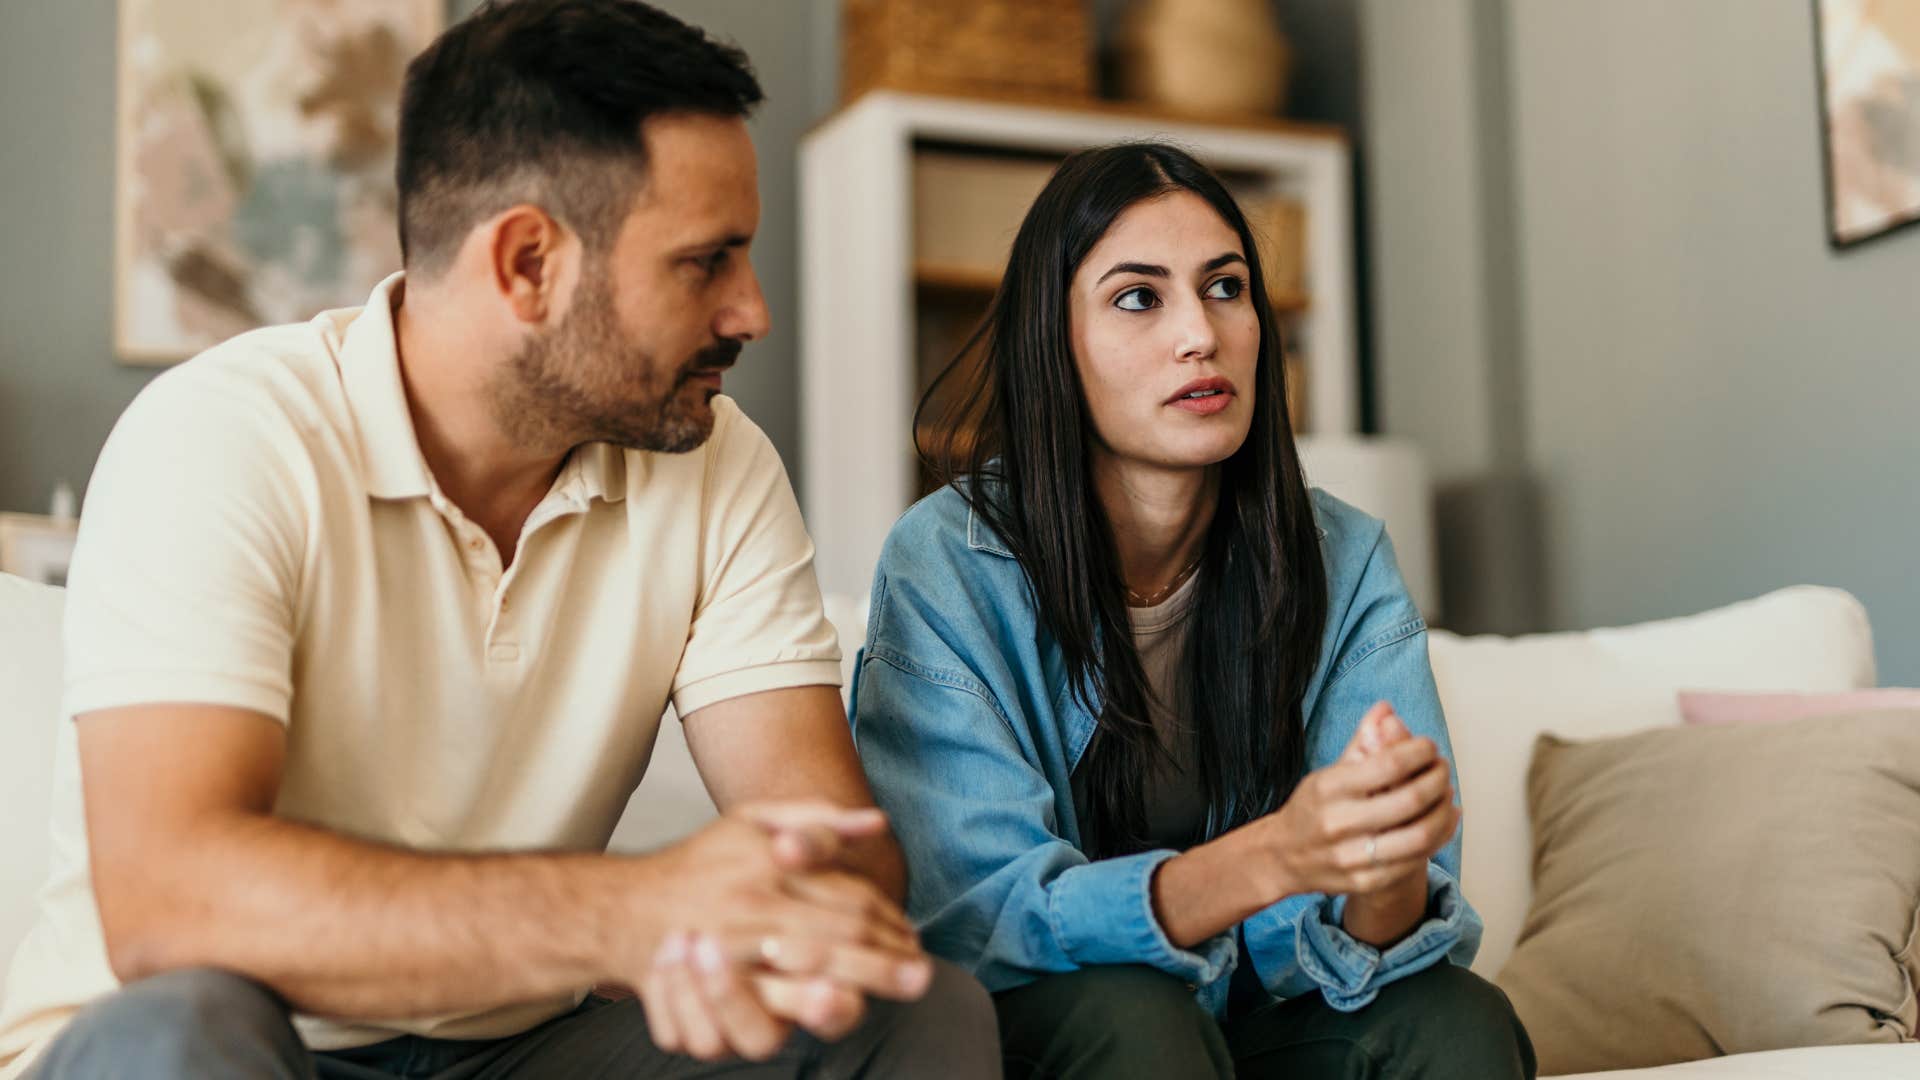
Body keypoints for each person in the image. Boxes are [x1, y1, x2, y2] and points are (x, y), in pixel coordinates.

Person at [0, 2, 998, 1077]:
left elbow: (837, 869)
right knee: (182, 1032)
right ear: (528, 263)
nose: (752, 311)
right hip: (235, 1039)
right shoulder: (223, 435)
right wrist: (619, 913)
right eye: (706, 263)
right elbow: (172, 903)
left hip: (516, 1050)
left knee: (908, 1011)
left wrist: (727, 930)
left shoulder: (715, 463)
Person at [847, 142, 1535, 1079]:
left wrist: (1387, 862)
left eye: (1226, 287)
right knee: (1134, 1014)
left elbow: (1386, 943)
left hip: (1254, 1020)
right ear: (1056, 342)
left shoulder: (1344, 556)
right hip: (1048, 1026)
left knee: (1454, 1019)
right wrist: (1275, 857)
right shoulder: (945, 563)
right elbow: (977, 915)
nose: (1201, 335)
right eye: (1140, 297)